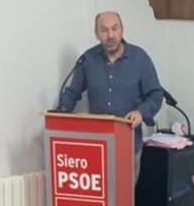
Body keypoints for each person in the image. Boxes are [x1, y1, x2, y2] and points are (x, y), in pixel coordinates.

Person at [57, 11, 163, 179]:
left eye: (115, 28)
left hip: (127, 145)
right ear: (96, 33)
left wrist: (140, 112)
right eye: (104, 30)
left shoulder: (139, 58)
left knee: (122, 203)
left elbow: (156, 95)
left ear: (122, 30)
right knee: (98, 201)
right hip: (96, 146)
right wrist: (59, 116)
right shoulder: (88, 59)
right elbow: (72, 92)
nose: (110, 35)